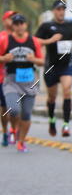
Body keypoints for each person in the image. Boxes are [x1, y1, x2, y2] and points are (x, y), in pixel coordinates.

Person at [35, 0, 72, 136]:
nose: (61, 12)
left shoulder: (70, 24)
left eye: (63, 9)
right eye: (58, 9)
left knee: (67, 91)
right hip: (51, 67)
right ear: (54, 11)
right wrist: (50, 40)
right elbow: (35, 41)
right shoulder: (46, 26)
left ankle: (66, 125)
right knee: (52, 97)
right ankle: (52, 119)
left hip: (67, 65)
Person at [0, 13, 44, 152]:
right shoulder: (6, 40)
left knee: (26, 114)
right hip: (11, 80)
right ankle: (13, 129)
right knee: (13, 109)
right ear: (13, 26)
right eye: (16, 24)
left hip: (29, 80)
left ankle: (21, 141)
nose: (19, 26)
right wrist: (4, 58)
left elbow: (42, 61)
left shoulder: (34, 41)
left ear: (25, 25)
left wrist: (33, 60)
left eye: (21, 23)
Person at [1, 10, 15, 145]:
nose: (13, 20)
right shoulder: (2, 37)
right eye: (10, 18)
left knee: (17, 106)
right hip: (4, 77)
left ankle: (14, 131)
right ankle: (5, 131)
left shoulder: (23, 37)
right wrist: (4, 58)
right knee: (5, 107)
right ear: (4, 21)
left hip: (20, 78)